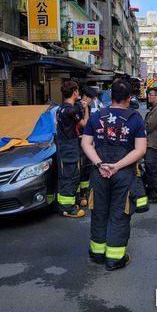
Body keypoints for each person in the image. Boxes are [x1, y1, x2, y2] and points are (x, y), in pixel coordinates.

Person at [81, 79, 147, 271]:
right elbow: (140, 149)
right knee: (119, 213)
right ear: (129, 98)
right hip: (123, 174)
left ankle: (97, 253)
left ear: (110, 96)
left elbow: (85, 144)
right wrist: (117, 166)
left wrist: (101, 164)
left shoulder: (96, 116)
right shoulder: (135, 118)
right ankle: (114, 258)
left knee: (99, 212)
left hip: (99, 173)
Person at [56, 80, 90, 218]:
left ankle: (71, 203)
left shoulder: (60, 108)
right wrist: (86, 109)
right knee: (70, 175)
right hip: (69, 146)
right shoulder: (71, 110)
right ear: (75, 92)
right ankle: (67, 208)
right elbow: (85, 124)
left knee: (69, 174)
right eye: (77, 91)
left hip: (64, 145)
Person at [74, 86, 97, 207]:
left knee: (86, 168)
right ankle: (78, 197)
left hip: (85, 141)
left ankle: (84, 194)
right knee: (80, 169)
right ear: (86, 97)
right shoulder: (78, 106)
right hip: (77, 142)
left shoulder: (85, 106)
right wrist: (87, 109)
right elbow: (85, 124)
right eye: (92, 99)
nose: (92, 102)